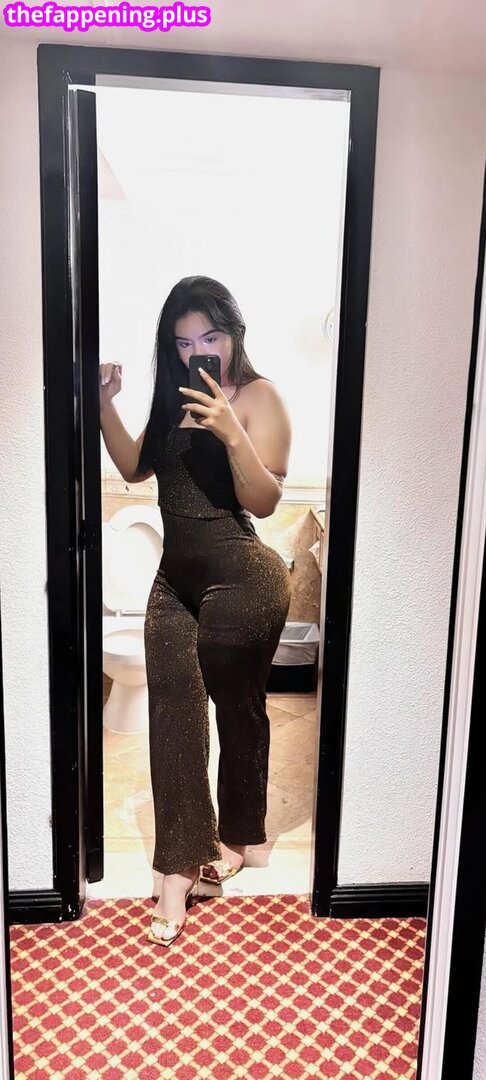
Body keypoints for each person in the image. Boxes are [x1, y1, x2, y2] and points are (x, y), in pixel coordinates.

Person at [99, 276, 292, 947]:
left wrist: (232, 432)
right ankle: (179, 869)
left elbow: (265, 501)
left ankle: (241, 833)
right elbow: (133, 468)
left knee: (239, 709)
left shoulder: (262, 398)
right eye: (183, 343)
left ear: (233, 334)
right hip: (174, 582)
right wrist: (103, 405)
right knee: (174, 718)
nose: (197, 352)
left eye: (209, 337)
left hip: (244, 577)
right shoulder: (170, 398)